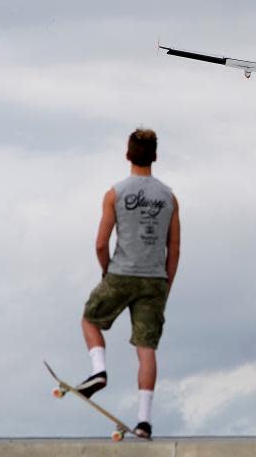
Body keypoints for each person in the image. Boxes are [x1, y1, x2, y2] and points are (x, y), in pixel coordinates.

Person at [77, 128, 181, 440]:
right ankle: (144, 422)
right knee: (146, 349)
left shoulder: (115, 194)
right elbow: (174, 248)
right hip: (155, 279)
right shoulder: (169, 198)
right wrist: (166, 283)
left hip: (121, 272)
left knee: (90, 319)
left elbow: (100, 243)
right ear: (155, 157)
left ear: (127, 155)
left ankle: (98, 370)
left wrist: (107, 272)